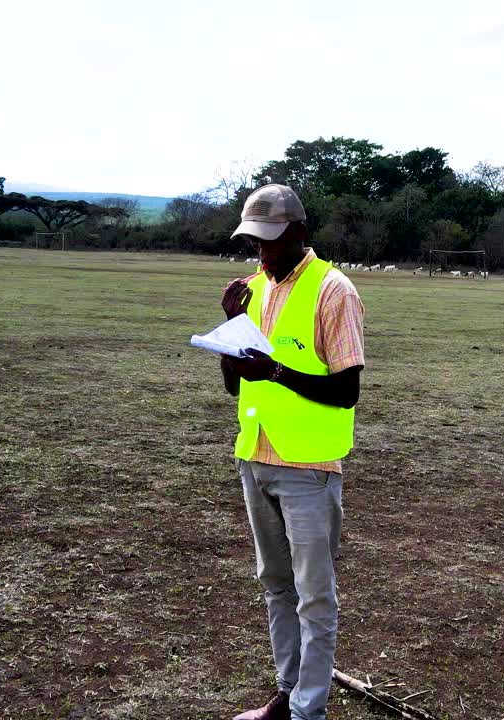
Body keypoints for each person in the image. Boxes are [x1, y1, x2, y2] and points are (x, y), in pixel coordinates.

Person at [221, 184, 366, 720]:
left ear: (299, 233)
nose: (261, 252)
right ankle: (286, 697)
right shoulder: (253, 287)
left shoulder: (334, 291)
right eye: (253, 241)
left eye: (270, 241)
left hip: (308, 468)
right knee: (276, 585)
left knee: (314, 597)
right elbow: (235, 386)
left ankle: (309, 713)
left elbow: (346, 389)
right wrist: (232, 324)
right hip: (256, 456)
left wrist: (276, 372)